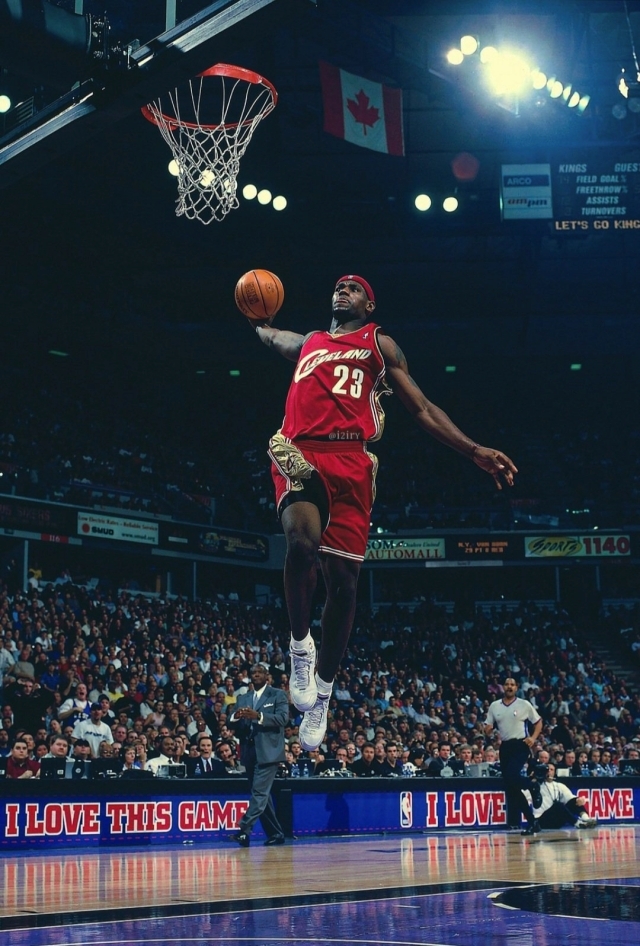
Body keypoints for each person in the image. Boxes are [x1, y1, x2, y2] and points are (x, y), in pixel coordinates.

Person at [253, 274, 517, 751]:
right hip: (299, 451)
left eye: (353, 288)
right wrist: (258, 321)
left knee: (344, 585)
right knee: (301, 545)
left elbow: (422, 408)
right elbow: (275, 338)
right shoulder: (311, 341)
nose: (342, 290)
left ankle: (323, 691)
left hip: (352, 461)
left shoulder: (379, 344)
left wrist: (473, 449)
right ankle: (299, 647)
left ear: (369, 305)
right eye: (338, 286)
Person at [227, 664, 289, 847]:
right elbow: (230, 721)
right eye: (252, 673)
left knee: (259, 793)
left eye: (259, 672)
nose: (255, 675)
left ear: (266, 675)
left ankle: (244, 830)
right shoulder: (243, 698)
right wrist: (236, 716)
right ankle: (276, 833)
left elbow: (283, 719)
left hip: (269, 753)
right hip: (249, 752)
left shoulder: (277, 695)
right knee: (262, 797)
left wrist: (258, 716)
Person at [484, 678, 543, 835]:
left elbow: (538, 722)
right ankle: (532, 822)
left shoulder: (524, 704)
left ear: (516, 688)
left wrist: (533, 738)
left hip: (520, 745)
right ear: (503, 687)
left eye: (512, 684)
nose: (509, 687)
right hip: (505, 747)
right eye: (507, 684)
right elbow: (488, 726)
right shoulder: (495, 705)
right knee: (512, 787)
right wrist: (488, 730)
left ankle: (532, 785)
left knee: (511, 776)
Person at [533, 763, 597, 830]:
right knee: (558, 805)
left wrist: (578, 800)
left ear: (554, 772)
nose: (549, 771)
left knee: (575, 801)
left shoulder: (559, 785)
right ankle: (578, 823)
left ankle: (586, 818)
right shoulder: (536, 785)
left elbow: (571, 799)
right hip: (541, 820)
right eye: (547, 769)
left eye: (551, 770)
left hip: (555, 820)